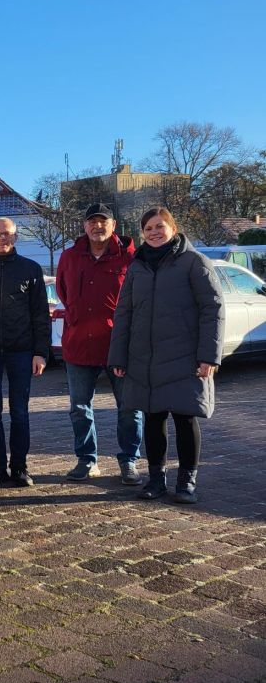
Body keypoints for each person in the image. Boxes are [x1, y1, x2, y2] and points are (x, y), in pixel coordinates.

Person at [108, 207, 224, 505]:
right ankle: (156, 479)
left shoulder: (194, 262)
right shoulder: (138, 265)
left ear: (173, 227)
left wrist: (209, 356)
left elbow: (213, 309)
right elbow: (124, 312)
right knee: (153, 418)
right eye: (148, 228)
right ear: (142, 233)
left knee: (185, 418)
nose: (154, 232)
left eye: (160, 226)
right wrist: (118, 356)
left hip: (185, 356)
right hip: (144, 357)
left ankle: (187, 481)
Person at [55, 203, 144, 485]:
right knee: (79, 407)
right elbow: (63, 292)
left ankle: (129, 459)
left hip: (119, 346)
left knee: (130, 406)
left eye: (103, 222)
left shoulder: (130, 258)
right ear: (84, 226)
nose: (97, 226)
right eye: (92, 222)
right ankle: (86, 459)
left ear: (113, 225)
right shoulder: (70, 257)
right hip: (79, 344)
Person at [0, 218, 51, 487]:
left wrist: (41, 352)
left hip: (21, 352)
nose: (3, 238)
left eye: (9, 234)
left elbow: (40, 315)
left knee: (20, 412)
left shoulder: (31, 269)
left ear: (16, 238)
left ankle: (20, 467)